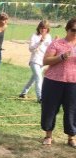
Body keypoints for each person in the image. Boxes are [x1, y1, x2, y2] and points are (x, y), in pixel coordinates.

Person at [40, 17, 76, 147]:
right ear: (67, 29)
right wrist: (61, 57)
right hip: (53, 81)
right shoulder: (57, 43)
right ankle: (48, 136)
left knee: (72, 110)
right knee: (50, 109)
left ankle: (71, 137)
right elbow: (45, 61)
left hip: (73, 83)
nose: (75, 32)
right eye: (73, 30)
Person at [19, 20, 51, 102]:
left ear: (47, 29)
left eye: (45, 28)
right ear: (39, 28)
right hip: (34, 61)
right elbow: (31, 49)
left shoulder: (49, 36)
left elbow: (50, 48)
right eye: (41, 28)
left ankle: (23, 93)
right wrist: (40, 41)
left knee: (33, 78)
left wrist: (55, 42)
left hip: (42, 62)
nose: (43, 30)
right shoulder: (34, 36)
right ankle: (40, 97)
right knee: (39, 78)